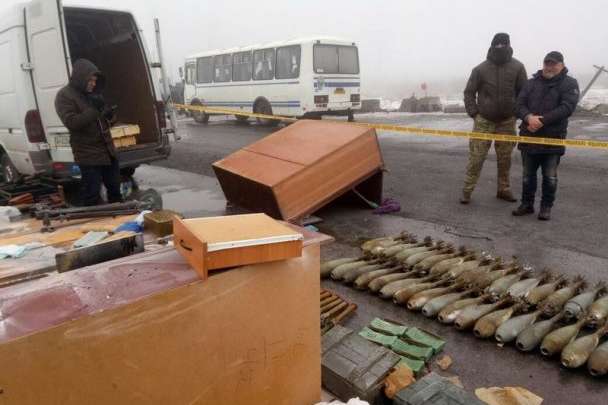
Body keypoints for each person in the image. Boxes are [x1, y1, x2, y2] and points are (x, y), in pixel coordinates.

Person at [461, 33, 528, 204]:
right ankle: (467, 191)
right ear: (492, 46)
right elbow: (469, 93)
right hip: (483, 120)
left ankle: (503, 189)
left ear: (509, 45)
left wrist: (516, 113)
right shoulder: (480, 69)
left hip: (507, 121)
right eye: (497, 45)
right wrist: (474, 114)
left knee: (505, 159)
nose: (500, 47)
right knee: (476, 158)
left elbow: (524, 93)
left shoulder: (518, 67)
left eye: (503, 44)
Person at [512, 51, 579, 220]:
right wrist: (528, 117)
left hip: (552, 138)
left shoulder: (570, 83)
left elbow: (567, 107)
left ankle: (546, 207)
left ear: (561, 65)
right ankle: (527, 204)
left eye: (553, 64)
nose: (549, 67)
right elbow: (518, 104)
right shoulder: (531, 83)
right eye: (546, 63)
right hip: (529, 136)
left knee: (550, 177)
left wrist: (542, 121)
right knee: (527, 176)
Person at [55, 59, 123, 206]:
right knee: (92, 196)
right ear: (81, 78)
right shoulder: (64, 96)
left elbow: (106, 122)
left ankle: (121, 218)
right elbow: (72, 122)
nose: (93, 83)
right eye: (90, 80)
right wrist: (94, 110)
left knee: (116, 192)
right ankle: (95, 220)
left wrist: (110, 116)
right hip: (88, 156)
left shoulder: (94, 94)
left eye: (95, 80)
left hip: (108, 152)